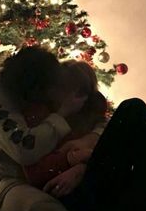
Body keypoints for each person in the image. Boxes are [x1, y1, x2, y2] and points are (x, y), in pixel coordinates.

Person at [0, 46, 120, 211]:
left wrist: (88, 140)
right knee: (38, 209)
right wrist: (61, 114)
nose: (51, 92)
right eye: (48, 87)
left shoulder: (54, 93)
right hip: (10, 184)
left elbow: (99, 118)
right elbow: (25, 150)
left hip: (65, 167)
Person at [23, 60, 108, 189]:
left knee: (133, 107)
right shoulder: (41, 115)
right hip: (64, 186)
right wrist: (71, 158)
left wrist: (82, 167)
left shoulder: (92, 116)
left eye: (83, 92)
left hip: (96, 175)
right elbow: (34, 172)